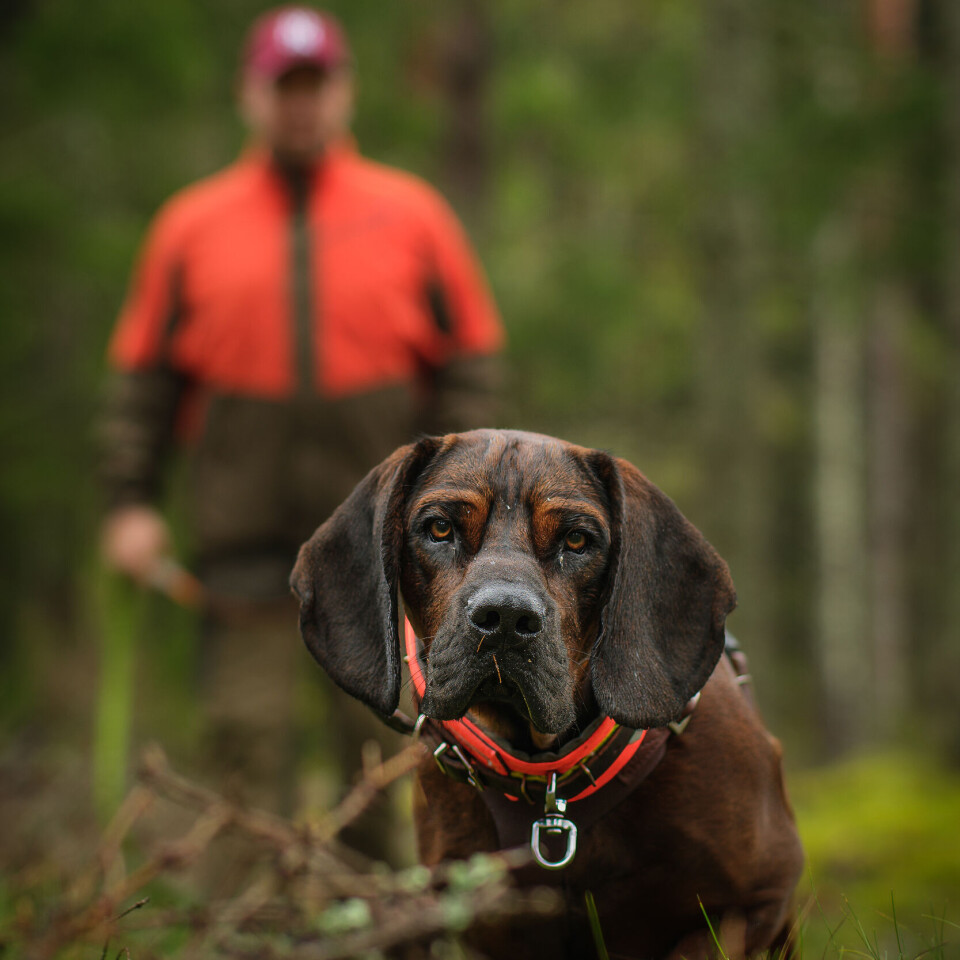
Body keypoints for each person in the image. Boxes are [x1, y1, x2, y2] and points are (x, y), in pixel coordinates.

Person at [98, 5, 504, 844]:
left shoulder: (413, 216)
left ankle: (396, 937)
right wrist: (130, 502)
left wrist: (461, 504)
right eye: (285, 87)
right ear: (251, 95)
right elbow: (143, 384)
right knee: (243, 773)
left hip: (383, 558)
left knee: (388, 771)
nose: (301, 105)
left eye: (316, 85)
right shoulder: (188, 227)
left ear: (344, 92)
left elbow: (471, 365)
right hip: (243, 563)